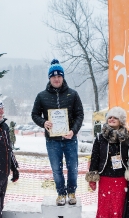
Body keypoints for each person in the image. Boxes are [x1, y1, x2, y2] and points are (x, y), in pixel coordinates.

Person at [31, 59, 84, 206]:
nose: (56, 78)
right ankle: (61, 193)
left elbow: (80, 114)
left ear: (63, 77)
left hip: (70, 139)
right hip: (52, 140)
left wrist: (74, 130)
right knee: (56, 169)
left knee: (73, 168)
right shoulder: (42, 96)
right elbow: (34, 115)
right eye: (53, 76)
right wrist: (43, 122)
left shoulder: (73, 94)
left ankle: (72, 192)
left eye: (59, 76)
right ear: (49, 78)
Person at [85, 107, 129, 218]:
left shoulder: (127, 137)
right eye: (110, 117)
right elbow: (95, 157)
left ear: (120, 121)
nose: (111, 120)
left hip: (121, 178)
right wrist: (92, 176)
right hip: (105, 177)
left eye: (115, 118)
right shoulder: (100, 137)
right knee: (107, 208)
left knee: (120, 208)